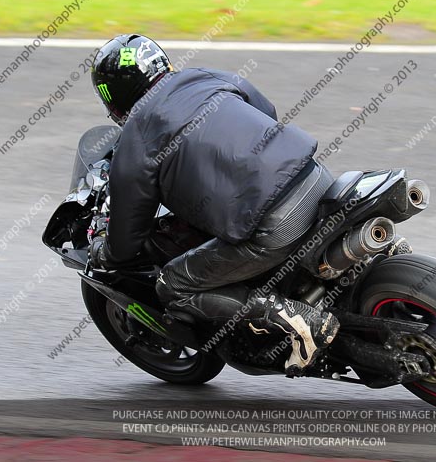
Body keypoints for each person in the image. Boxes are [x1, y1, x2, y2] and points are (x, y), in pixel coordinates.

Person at [88, 34, 339, 374]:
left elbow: (128, 233)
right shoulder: (206, 76)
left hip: (273, 224)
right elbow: (265, 111)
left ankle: (297, 319)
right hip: (316, 178)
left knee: (173, 286)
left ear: (113, 97)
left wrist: (106, 253)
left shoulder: (137, 137)